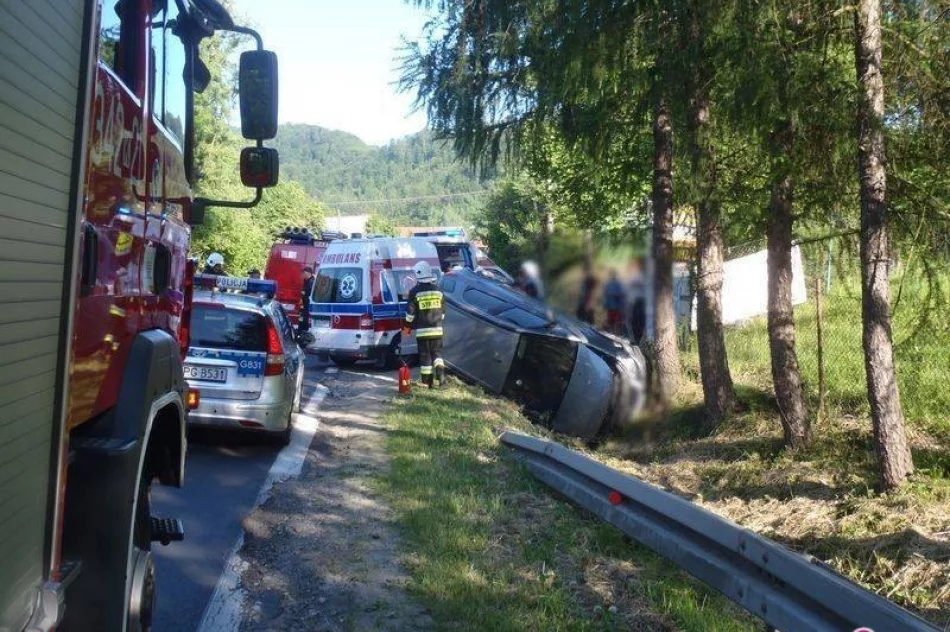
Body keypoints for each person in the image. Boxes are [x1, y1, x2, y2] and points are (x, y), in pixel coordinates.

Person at [402, 261, 445, 388]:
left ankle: (427, 382)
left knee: (425, 356)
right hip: (437, 330)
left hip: (423, 332)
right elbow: (443, 313)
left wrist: (406, 328)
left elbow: (410, 315)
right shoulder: (438, 291)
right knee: (437, 355)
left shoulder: (414, 292)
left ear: (418, 274)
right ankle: (441, 378)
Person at [628, 257, 647, 343]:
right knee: (635, 321)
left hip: (641, 301)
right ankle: (636, 339)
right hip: (635, 301)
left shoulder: (645, 275)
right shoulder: (635, 275)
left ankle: (638, 340)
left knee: (639, 321)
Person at [603, 268, 627, 334]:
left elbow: (622, 294)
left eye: (613, 274)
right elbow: (605, 294)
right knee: (610, 321)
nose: (612, 276)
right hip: (610, 306)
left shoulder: (619, 284)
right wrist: (605, 304)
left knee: (618, 322)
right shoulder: (608, 284)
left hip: (617, 307)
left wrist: (615, 295)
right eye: (611, 274)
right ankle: (611, 333)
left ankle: (618, 334)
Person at [298, 266, 315, 337]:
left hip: (307, 304)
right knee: (301, 318)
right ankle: (300, 331)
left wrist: (303, 296)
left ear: (309, 273)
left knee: (305, 319)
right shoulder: (306, 280)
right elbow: (304, 291)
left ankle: (304, 333)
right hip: (303, 304)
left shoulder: (312, 281)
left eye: (304, 273)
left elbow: (309, 293)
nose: (303, 275)